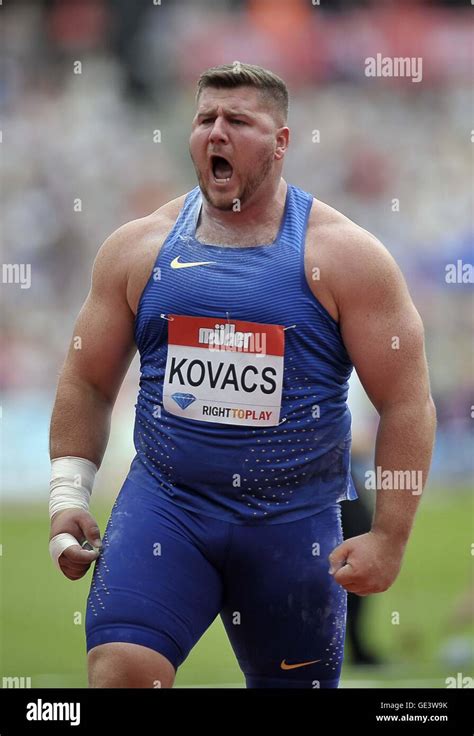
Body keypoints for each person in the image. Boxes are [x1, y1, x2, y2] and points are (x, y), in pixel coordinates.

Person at [48, 63, 436, 689]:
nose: (216, 134)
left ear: (280, 143)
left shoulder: (344, 257)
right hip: (167, 511)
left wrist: (389, 535)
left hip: (292, 527)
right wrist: (68, 494)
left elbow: (406, 402)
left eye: (238, 121)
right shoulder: (137, 249)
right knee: (120, 674)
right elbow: (87, 379)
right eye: (205, 120)